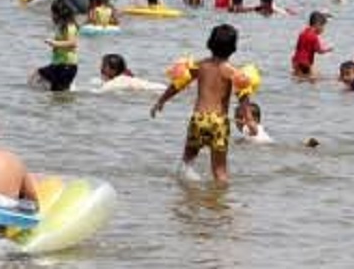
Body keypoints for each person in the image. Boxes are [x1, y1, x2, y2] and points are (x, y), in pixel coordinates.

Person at [150, 24, 257, 184]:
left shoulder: (200, 65)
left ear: (210, 43)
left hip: (199, 119)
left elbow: (179, 84)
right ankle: (219, 198)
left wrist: (161, 101)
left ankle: (188, 194)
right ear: (233, 48)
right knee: (219, 170)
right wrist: (249, 120)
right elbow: (243, 97)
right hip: (218, 121)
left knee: (187, 162)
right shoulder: (231, 71)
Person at [31, 0, 79, 92]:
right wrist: (55, 46)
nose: (51, 15)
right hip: (58, 65)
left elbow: (73, 43)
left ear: (60, 13)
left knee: (59, 94)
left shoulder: (69, 26)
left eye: (53, 13)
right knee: (36, 76)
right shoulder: (61, 26)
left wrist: (54, 43)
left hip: (66, 66)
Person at [95, 53, 165, 92]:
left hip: (158, 90)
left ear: (113, 70)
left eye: (104, 66)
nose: (101, 68)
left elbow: (99, 92)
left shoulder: (114, 83)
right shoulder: (126, 77)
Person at [292, 11, 332, 78]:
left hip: (296, 61)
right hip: (306, 63)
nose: (323, 29)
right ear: (317, 25)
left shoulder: (302, 33)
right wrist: (328, 50)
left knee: (298, 78)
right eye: (323, 26)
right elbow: (319, 51)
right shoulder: (314, 37)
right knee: (314, 79)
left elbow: (298, 47)